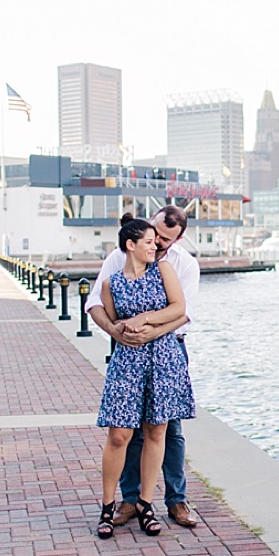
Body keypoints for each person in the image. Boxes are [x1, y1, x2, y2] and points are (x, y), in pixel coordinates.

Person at [86, 205, 201, 529]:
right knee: (125, 432)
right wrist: (116, 332)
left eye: (165, 239)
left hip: (168, 348)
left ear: (177, 239)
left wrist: (149, 326)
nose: (159, 243)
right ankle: (129, 500)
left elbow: (184, 311)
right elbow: (95, 303)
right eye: (154, 235)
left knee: (168, 431)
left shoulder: (182, 265)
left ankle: (175, 502)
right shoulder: (117, 260)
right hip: (128, 352)